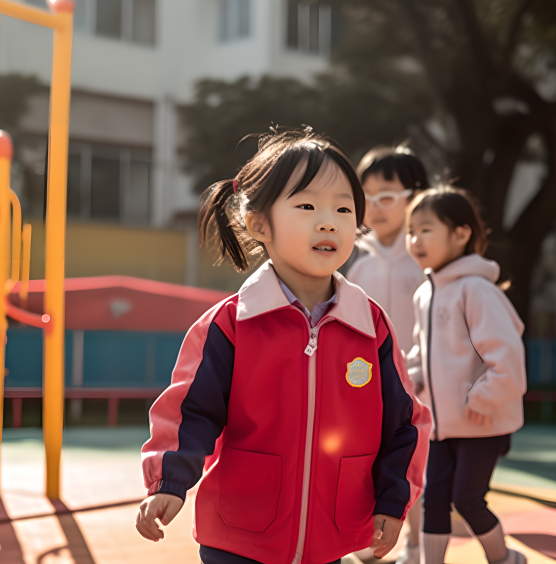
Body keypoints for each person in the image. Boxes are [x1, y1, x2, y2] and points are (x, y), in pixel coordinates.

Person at [135, 127, 432, 564]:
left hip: (332, 534)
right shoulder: (230, 324)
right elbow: (190, 411)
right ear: (259, 223)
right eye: (307, 205)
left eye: (344, 208)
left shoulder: (371, 327)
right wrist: (169, 482)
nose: (328, 220)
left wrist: (392, 498)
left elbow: (405, 423)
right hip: (238, 536)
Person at [404, 186, 527, 564]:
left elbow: (507, 359)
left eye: (426, 229)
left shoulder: (476, 290)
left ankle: (503, 558)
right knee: (435, 497)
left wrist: (482, 397)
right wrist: (405, 382)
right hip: (444, 425)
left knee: (468, 498)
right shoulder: (426, 293)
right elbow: (421, 354)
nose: (415, 239)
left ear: (461, 233)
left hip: (482, 420)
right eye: (411, 231)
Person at [346, 144, 430, 564]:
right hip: (372, 386)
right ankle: (368, 540)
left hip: (420, 386)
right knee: (367, 462)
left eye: (387, 197)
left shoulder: (425, 264)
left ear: (416, 197)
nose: (375, 209)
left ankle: (416, 547)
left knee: (416, 468)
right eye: (368, 198)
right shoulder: (359, 265)